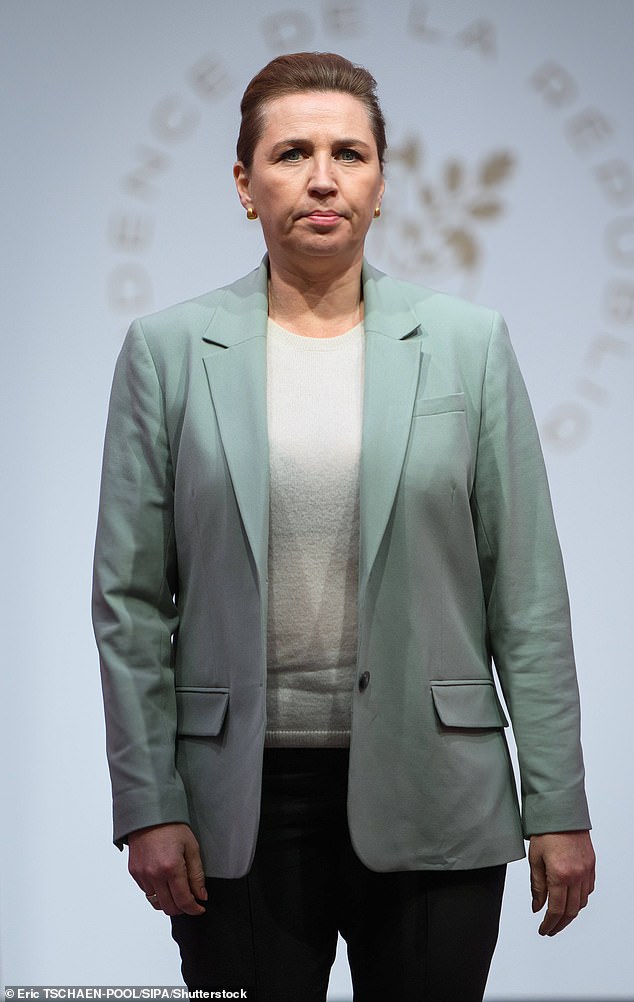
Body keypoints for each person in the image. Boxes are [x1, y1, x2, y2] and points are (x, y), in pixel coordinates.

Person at [92, 51, 595, 1002]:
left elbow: (526, 593)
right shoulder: (167, 352)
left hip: (438, 785)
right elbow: (130, 603)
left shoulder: (469, 345)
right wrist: (147, 802)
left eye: (349, 154)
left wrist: (558, 803)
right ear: (244, 183)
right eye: (292, 153)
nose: (322, 178)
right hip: (237, 802)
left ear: (381, 184)